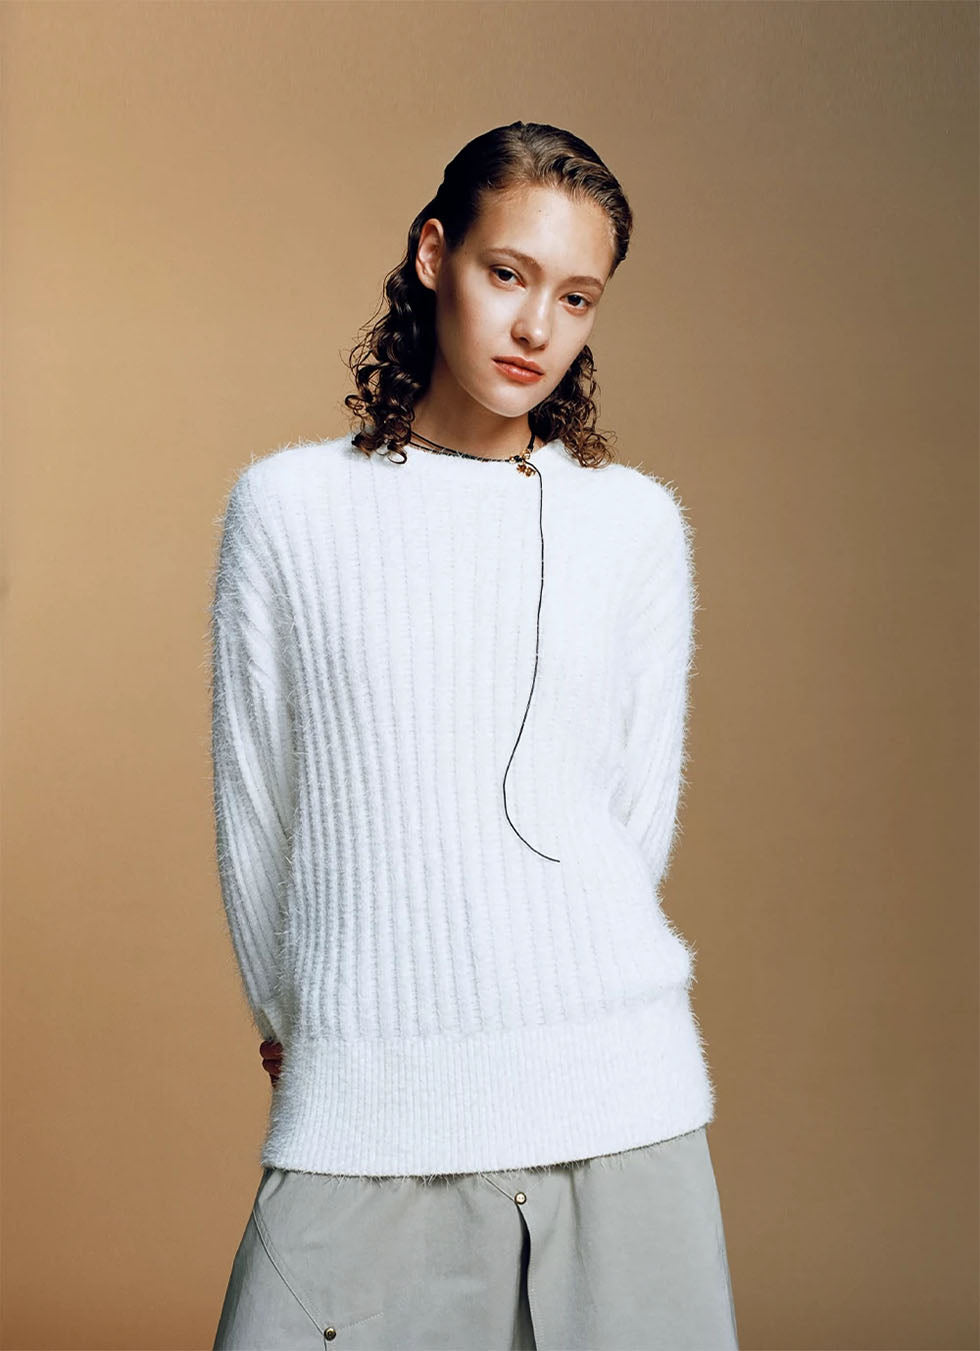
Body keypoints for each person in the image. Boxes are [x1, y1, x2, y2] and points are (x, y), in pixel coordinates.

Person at [209, 120, 739, 1350]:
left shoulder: (632, 526)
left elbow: (628, 817)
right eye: (507, 273)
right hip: (369, 1096)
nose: (534, 326)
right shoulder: (289, 510)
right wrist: (302, 1019)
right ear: (431, 253)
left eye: (574, 297)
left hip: (617, 1099)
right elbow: (258, 807)